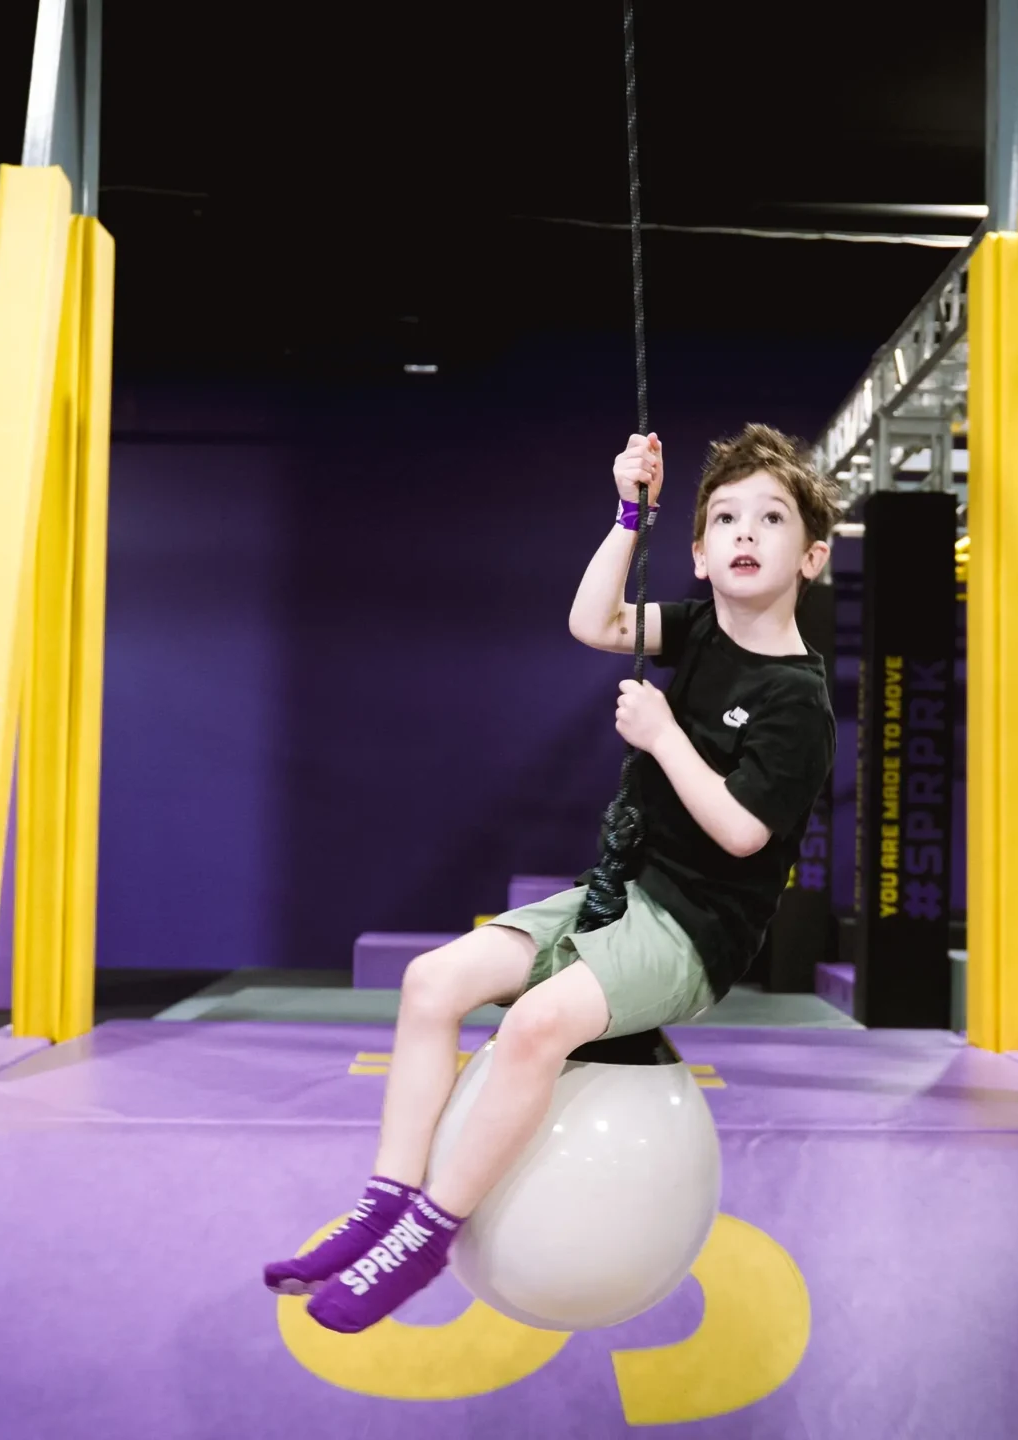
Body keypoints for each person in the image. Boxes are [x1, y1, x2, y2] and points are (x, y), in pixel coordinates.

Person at [266, 423, 842, 1334]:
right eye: (724, 518)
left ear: (810, 557)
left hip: (695, 932)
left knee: (535, 1025)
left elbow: (740, 834)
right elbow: (592, 621)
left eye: (769, 519)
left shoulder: (799, 699)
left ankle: (422, 1238)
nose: (743, 532)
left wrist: (664, 738)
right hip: (622, 893)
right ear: (696, 552)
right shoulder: (691, 626)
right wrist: (628, 513)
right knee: (432, 982)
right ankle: (381, 1206)